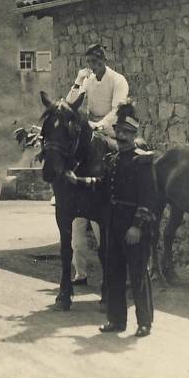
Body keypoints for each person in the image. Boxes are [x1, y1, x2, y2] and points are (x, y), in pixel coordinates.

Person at [65, 102, 155, 337]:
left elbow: (148, 200)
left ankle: (144, 322)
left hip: (133, 226)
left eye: (127, 132)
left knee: (137, 275)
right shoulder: (113, 160)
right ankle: (116, 320)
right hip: (113, 225)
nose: (122, 136)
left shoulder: (142, 162)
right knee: (114, 274)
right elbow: (102, 184)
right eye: (119, 132)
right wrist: (79, 181)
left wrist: (137, 226)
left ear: (134, 134)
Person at [65, 43, 130, 286]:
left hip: (111, 130)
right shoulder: (88, 79)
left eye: (97, 61)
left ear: (104, 60)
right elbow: (70, 102)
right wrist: (77, 81)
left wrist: (98, 125)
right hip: (90, 130)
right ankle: (79, 272)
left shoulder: (118, 80)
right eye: (90, 63)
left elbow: (117, 109)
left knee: (119, 162)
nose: (94, 66)